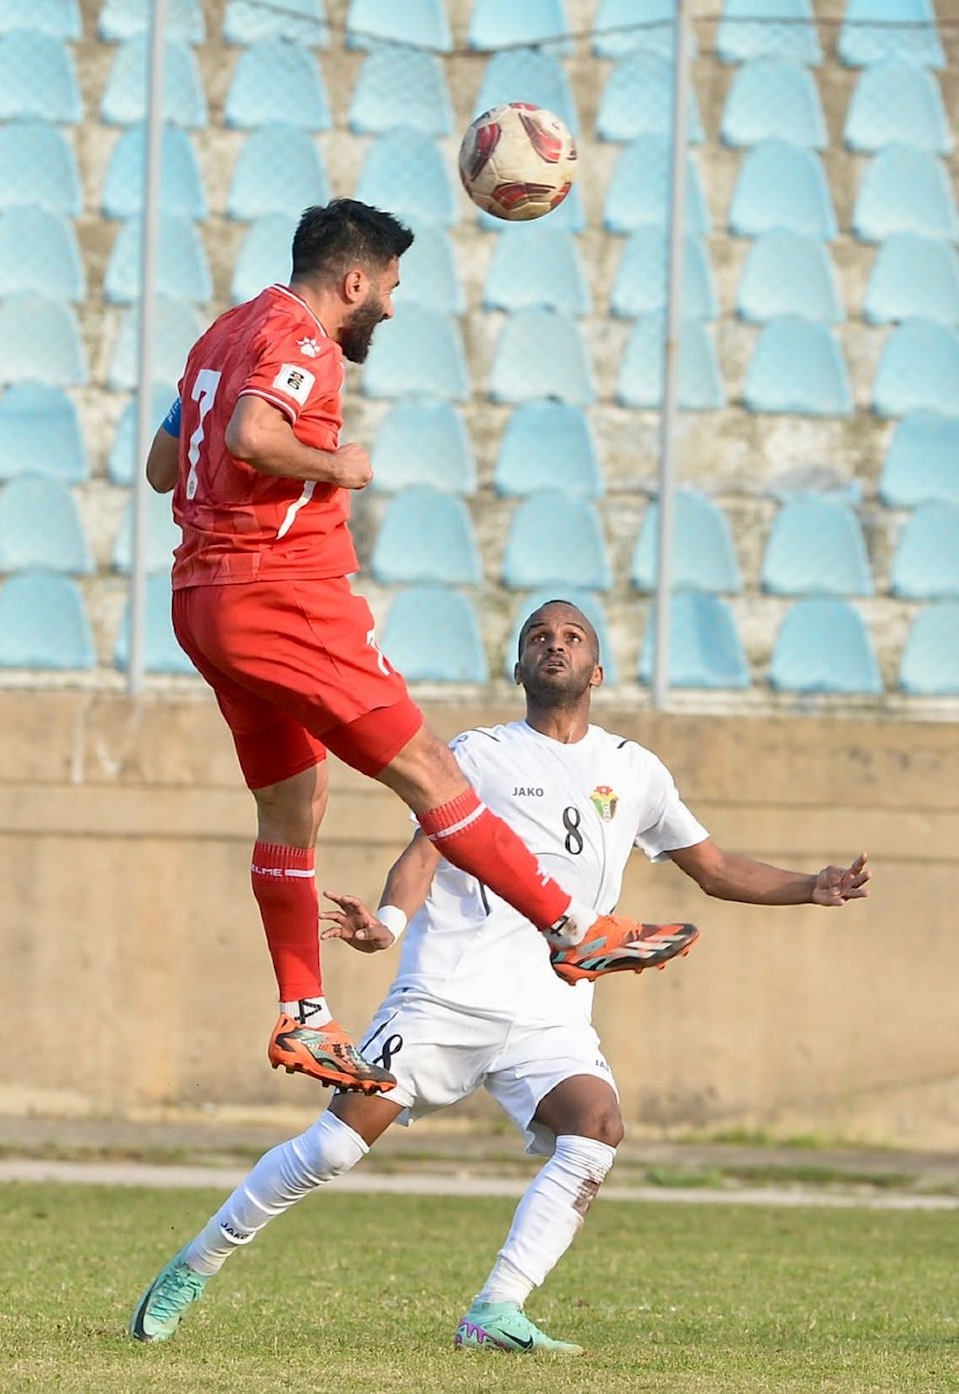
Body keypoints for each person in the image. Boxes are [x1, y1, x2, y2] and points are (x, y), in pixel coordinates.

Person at [130, 599, 871, 1353]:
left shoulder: (634, 770)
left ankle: (495, 1309)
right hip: (446, 997)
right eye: (538, 637)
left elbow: (713, 870)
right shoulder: (478, 754)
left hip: (550, 1014)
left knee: (598, 1129)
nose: (556, 644)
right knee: (331, 1150)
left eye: (572, 636)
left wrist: (811, 885)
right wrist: (387, 924)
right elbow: (424, 853)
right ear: (518, 668)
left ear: (597, 670)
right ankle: (197, 1262)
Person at [144, 199, 698, 1096]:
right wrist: (340, 467)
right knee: (435, 772)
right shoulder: (303, 341)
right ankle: (571, 928)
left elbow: (163, 468)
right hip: (282, 597)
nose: (391, 310)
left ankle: (305, 1016)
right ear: (354, 280)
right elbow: (253, 433)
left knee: (295, 805)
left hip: (202, 599)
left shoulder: (221, 332)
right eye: (389, 288)